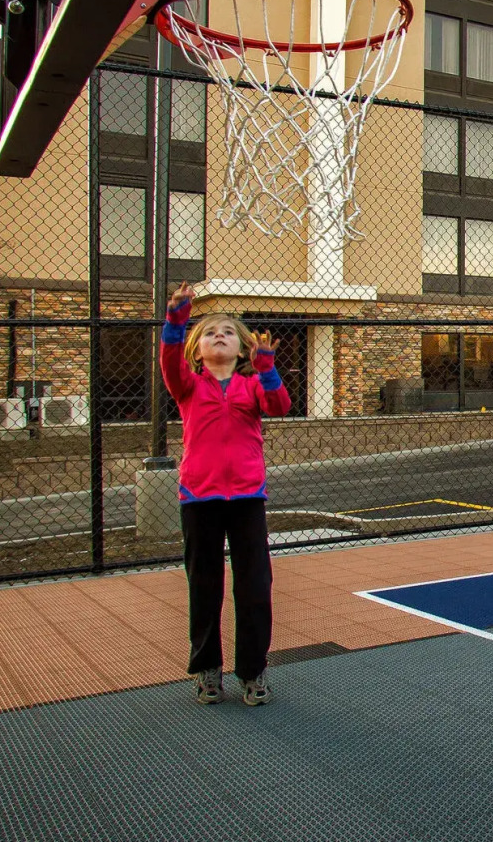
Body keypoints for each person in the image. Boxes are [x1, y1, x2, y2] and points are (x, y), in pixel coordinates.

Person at [160, 282, 292, 706]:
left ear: (242, 351)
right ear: (197, 350)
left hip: (248, 499)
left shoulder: (251, 387)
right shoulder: (188, 386)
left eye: (228, 332)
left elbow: (279, 406)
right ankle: (207, 669)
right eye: (210, 331)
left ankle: (253, 671)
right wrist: (178, 320)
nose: (219, 334)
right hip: (199, 499)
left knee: (254, 586)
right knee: (205, 585)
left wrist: (268, 368)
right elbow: (167, 361)